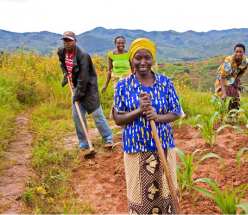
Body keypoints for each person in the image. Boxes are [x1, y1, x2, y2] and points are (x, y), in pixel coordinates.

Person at [113, 38, 182, 214]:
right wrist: (139, 110)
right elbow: (118, 119)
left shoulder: (165, 82)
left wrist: (157, 117)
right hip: (136, 149)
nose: (143, 62)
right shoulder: (123, 85)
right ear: (132, 60)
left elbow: (176, 112)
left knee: (166, 193)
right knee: (139, 197)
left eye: (147, 58)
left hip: (163, 147)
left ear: (153, 60)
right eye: (138, 58)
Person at [57, 31, 114, 149]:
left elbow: (83, 79)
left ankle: (108, 138)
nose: (67, 43)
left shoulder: (82, 55)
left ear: (75, 41)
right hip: (75, 88)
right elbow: (62, 64)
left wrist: (77, 95)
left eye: (70, 40)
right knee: (77, 115)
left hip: (88, 89)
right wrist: (65, 73)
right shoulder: (61, 52)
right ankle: (84, 141)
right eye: (65, 40)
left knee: (97, 113)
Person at [215, 43, 248, 122]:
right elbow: (222, 77)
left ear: (244, 53)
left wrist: (236, 80)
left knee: (235, 98)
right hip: (222, 79)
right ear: (234, 52)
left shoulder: (245, 62)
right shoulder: (229, 61)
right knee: (222, 98)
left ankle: (233, 118)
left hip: (233, 78)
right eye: (236, 51)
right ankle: (221, 119)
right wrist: (224, 92)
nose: (238, 54)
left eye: (240, 52)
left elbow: (242, 72)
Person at [102, 36, 133, 119]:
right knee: (118, 97)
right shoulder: (111, 55)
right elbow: (109, 70)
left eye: (122, 43)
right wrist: (106, 85)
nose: (121, 45)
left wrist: (135, 80)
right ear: (115, 44)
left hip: (127, 77)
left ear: (125, 44)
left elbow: (132, 68)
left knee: (127, 96)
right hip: (116, 78)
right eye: (119, 43)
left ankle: (128, 117)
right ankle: (118, 117)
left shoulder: (128, 54)